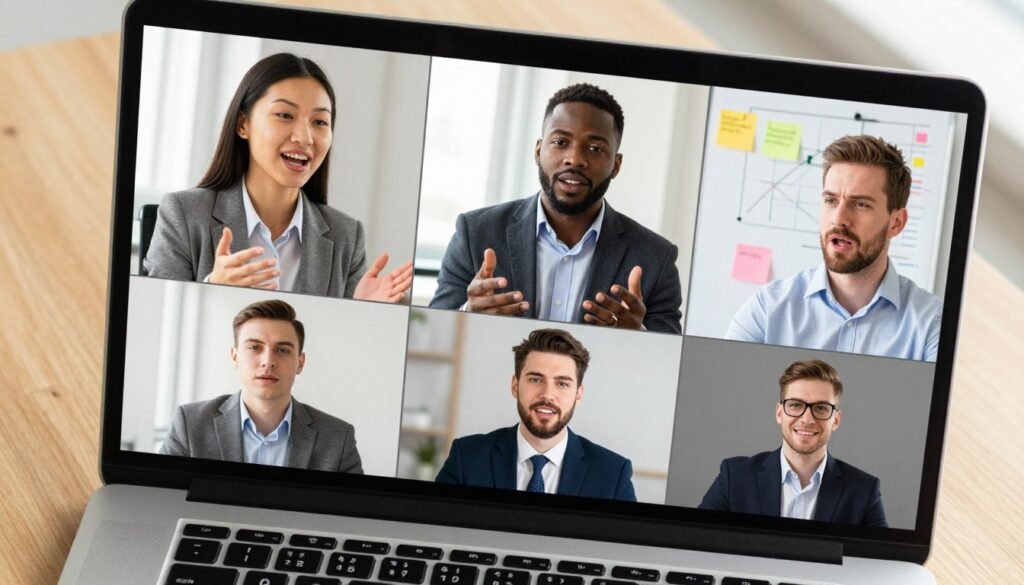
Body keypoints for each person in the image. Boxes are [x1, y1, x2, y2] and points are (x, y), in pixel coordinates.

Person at [144, 53, 412, 302]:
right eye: (285, 115)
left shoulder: (346, 236)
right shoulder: (183, 215)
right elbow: (149, 320)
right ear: (243, 125)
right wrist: (211, 288)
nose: (304, 137)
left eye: (320, 122)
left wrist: (363, 311)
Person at [429, 83, 682, 334]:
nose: (575, 159)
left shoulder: (656, 259)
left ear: (616, 165)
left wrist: (640, 338)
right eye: (561, 142)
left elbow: (672, 362)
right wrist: (466, 315)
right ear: (538, 151)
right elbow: (432, 333)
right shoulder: (475, 233)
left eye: (595, 148)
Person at [725, 135, 942, 361]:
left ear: (896, 223)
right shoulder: (768, 308)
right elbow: (721, 388)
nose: (839, 219)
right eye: (831, 200)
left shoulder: (930, 322)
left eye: (861, 204)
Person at [160, 299, 363, 473]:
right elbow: (163, 499)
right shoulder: (190, 424)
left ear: (300, 363)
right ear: (235, 357)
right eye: (255, 347)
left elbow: (352, 514)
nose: (268, 361)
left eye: (282, 350)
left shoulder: (338, 438)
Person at [435, 328, 636, 501]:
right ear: (515, 386)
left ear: (578, 394)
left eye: (562, 383)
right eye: (535, 379)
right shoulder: (467, 457)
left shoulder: (613, 473)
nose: (547, 394)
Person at [698, 359, 887, 527]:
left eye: (821, 408)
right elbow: (695, 541)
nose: (807, 419)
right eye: (796, 405)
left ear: (836, 420)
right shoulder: (735, 476)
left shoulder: (864, 489)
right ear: (779, 413)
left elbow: (882, 561)